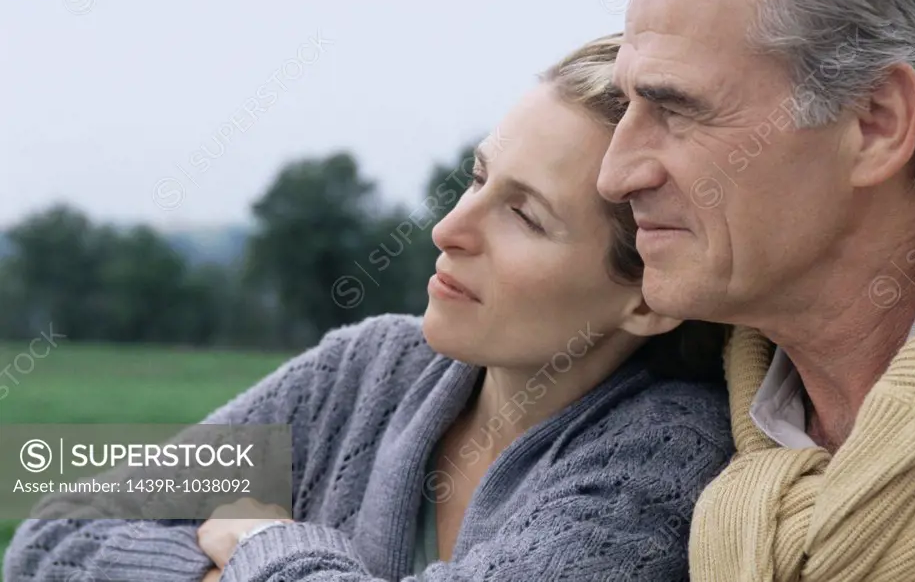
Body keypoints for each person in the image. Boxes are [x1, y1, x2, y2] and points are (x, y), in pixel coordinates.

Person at [4, 34, 733, 582]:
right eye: (476, 179)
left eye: (525, 216)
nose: (449, 228)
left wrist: (258, 542)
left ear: (648, 297)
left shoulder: (666, 457)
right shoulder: (365, 369)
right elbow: (52, 534)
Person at [597, 0, 915, 580]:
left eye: (676, 109)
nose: (614, 174)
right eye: (627, 108)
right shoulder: (710, 442)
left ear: (875, 123)